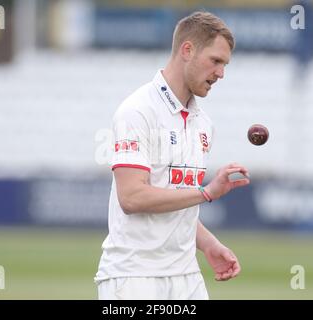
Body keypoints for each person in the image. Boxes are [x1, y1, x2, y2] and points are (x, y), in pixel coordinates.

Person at [94, 11, 250, 300]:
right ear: (187, 50)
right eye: (215, 61)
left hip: (186, 277)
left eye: (225, 64)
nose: (221, 73)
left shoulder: (203, 124)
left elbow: (175, 198)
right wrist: (207, 192)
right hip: (134, 278)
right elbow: (132, 198)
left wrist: (209, 244)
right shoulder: (138, 111)